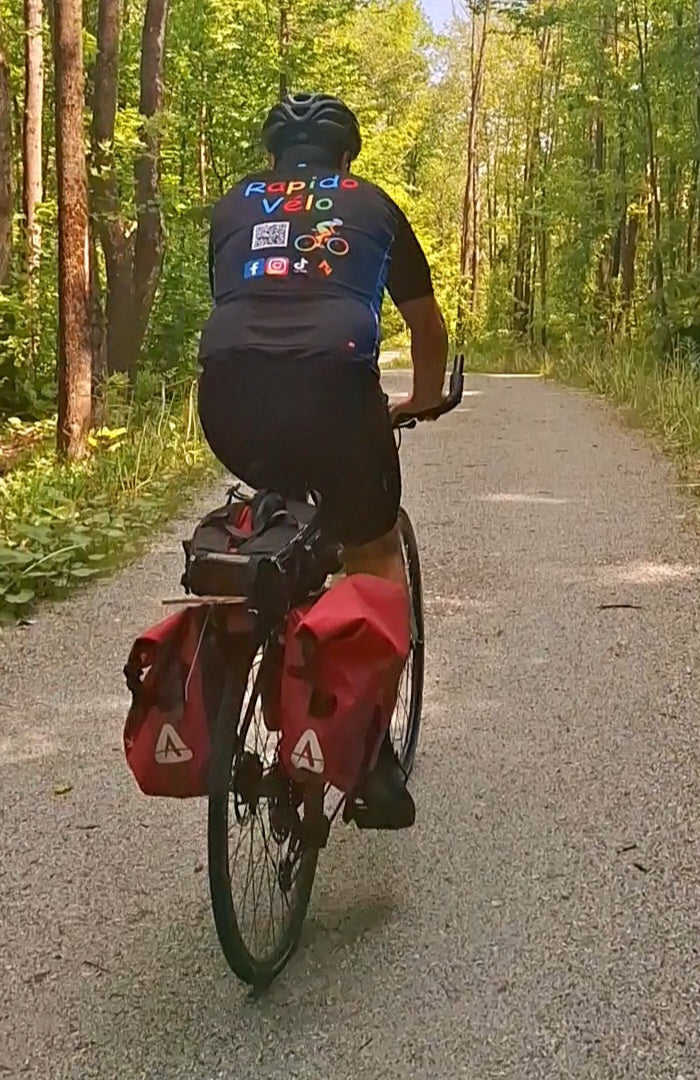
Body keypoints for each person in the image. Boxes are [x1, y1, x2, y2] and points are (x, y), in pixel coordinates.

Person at [197, 92, 449, 829]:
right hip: (337, 395)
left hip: (229, 403)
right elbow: (425, 325)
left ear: (273, 156)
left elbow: (242, 310)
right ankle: (370, 757)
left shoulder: (231, 208)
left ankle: (255, 652)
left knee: (281, 515)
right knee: (372, 548)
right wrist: (420, 398)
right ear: (345, 157)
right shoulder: (371, 203)